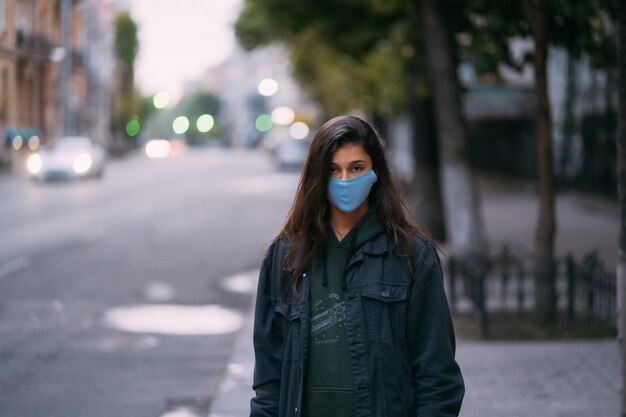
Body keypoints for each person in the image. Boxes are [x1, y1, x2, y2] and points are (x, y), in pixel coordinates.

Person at [250, 115, 464, 417]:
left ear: (375, 171)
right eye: (333, 170)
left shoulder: (411, 255)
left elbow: (437, 375)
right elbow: (269, 379)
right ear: (317, 176)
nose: (345, 181)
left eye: (357, 168)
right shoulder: (284, 257)